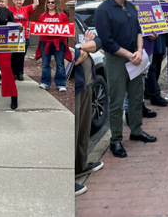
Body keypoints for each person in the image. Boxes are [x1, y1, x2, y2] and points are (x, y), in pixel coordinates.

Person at [93, 0, 156, 159]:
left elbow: (138, 30)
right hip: (116, 60)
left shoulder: (130, 6)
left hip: (135, 57)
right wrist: (129, 55)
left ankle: (136, 130)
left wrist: (139, 50)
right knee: (116, 100)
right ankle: (116, 140)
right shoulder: (103, 11)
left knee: (136, 96)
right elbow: (107, 42)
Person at [73, 13, 102, 197]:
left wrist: (81, 47)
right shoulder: (59, 22)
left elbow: (98, 42)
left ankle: (80, 166)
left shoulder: (76, 17)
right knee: (72, 132)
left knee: (83, 129)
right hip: (74, 85)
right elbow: (73, 57)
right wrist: (85, 47)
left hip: (87, 82)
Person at [142, 0, 168, 108]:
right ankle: (155, 95)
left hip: (160, 40)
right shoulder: (142, 6)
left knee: (157, 66)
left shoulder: (161, 5)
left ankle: (148, 91)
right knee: (151, 68)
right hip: (149, 41)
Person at [36, 0, 69, 91]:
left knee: (60, 64)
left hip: (59, 43)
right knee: (45, 63)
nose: (50, 4)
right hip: (45, 42)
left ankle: (61, 84)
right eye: (48, 2)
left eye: (52, 2)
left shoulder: (62, 15)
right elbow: (39, 28)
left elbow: (67, 29)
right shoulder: (42, 16)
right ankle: (45, 82)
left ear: (56, 3)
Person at [9, 0, 40, 81]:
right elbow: (0, 4)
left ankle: (20, 73)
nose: (19, 2)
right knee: (14, 56)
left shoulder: (26, 9)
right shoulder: (10, 9)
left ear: (23, 2)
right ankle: (13, 73)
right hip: (13, 36)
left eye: (21, 0)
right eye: (17, 0)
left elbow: (36, 4)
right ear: (14, 1)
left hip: (25, 36)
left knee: (21, 56)